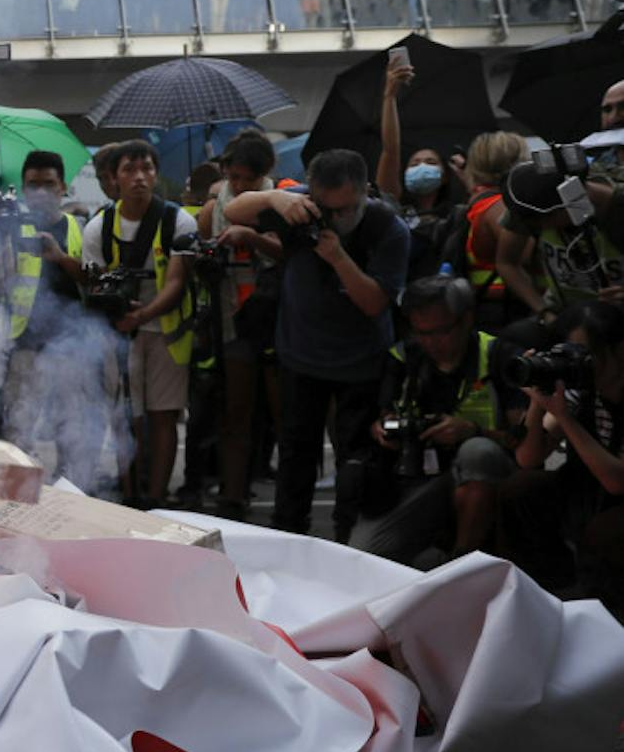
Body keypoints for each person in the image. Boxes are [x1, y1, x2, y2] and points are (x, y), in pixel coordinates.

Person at [226, 148, 411, 541]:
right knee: (296, 454)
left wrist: (339, 258)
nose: (334, 218)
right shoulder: (300, 208)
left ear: (365, 193)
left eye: (345, 209)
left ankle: (350, 537)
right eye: (326, 209)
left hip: (360, 360)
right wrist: (275, 197)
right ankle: (290, 534)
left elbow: (375, 303)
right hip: (301, 354)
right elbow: (233, 211)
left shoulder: (388, 228)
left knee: (355, 460)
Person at [348, 275, 520, 565]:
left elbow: (523, 441)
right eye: (420, 332)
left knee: (477, 452)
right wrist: (385, 431)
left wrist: (472, 431)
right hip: (417, 476)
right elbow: (382, 417)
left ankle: (463, 563)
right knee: (366, 554)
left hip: (487, 474)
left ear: (466, 319)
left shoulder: (499, 356)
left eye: (441, 331)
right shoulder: (403, 357)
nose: (430, 342)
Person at [82, 139, 196, 507]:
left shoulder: (177, 220)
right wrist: (115, 312)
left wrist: (142, 315)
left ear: (156, 174)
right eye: (129, 170)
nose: (139, 178)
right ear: (113, 179)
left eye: (146, 168)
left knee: (163, 416)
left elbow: (177, 281)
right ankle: (130, 495)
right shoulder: (98, 227)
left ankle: (157, 499)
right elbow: (95, 281)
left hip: (164, 331)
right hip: (119, 334)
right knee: (125, 417)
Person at [499, 301, 624, 605]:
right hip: (590, 491)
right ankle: (547, 593)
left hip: (616, 496)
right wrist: (536, 401)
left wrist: (565, 417)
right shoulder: (580, 388)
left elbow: (617, 481)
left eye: (586, 355)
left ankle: (606, 615)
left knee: (604, 533)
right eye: (567, 355)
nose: (576, 364)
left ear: (620, 349)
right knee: (519, 490)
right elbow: (528, 459)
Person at [194, 129, 284, 518]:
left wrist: (252, 237)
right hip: (232, 316)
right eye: (235, 178)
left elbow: (290, 251)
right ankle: (232, 495)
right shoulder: (216, 206)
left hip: (276, 316)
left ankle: (287, 502)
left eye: (250, 179)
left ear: (266, 175)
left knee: (283, 412)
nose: (241, 186)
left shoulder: (282, 200)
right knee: (236, 411)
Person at [1, 151, 100, 489]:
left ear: (63, 188)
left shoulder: (79, 228)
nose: (41, 192)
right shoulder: (10, 226)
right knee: (19, 424)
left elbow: (92, 279)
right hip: (24, 340)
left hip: (69, 344)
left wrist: (60, 257)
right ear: (24, 189)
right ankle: (16, 491)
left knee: (69, 424)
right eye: (33, 185)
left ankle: (68, 490)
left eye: (48, 184)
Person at [494, 153, 624, 320]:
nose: (539, 227)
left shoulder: (617, 209)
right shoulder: (528, 204)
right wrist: (544, 312)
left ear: (570, 202)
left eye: (542, 222)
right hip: (564, 314)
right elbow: (506, 262)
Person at [376, 53, 466, 280]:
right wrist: (389, 96)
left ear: (445, 176)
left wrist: (468, 177)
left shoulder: (457, 213)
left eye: (431, 162)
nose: (421, 166)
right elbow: (391, 150)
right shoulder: (396, 207)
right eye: (414, 164)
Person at [448, 131, 530, 332]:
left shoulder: (480, 205)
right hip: (510, 315)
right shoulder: (502, 207)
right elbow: (525, 256)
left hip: (486, 315)